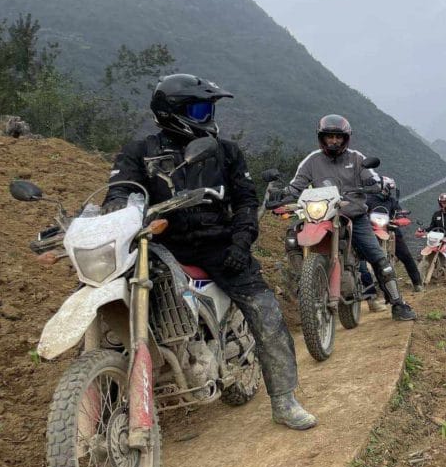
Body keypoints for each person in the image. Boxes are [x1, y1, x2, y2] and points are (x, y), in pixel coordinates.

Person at [102, 73, 317, 430]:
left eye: (207, 108)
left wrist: (241, 240)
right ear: (172, 113)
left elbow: (246, 201)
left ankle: (284, 398)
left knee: (266, 312)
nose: (207, 116)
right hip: (159, 245)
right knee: (118, 301)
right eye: (200, 108)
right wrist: (115, 209)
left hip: (220, 246)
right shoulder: (139, 152)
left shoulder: (226, 151)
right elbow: (120, 190)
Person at [281, 115, 417, 321]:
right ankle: (306, 286)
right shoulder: (312, 160)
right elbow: (296, 185)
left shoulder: (356, 158)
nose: (334, 141)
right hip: (321, 216)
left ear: (345, 138)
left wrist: (374, 183)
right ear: (322, 138)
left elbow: (371, 177)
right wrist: (283, 194)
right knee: (293, 237)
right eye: (329, 137)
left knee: (378, 258)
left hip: (354, 216)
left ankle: (398, 303)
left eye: (338, 137)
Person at [367, 175, 423, 292]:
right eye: (389, 188)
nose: (390, 191)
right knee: (362, 258)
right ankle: (368, 289)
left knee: (406, 256)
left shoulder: (392, 201)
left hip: (391, 230)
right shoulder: (368, 200)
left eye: (391, 189)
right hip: (372, 232)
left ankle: (417, 283)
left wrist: (399, 219)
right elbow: (362, 214)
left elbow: (399, 214)